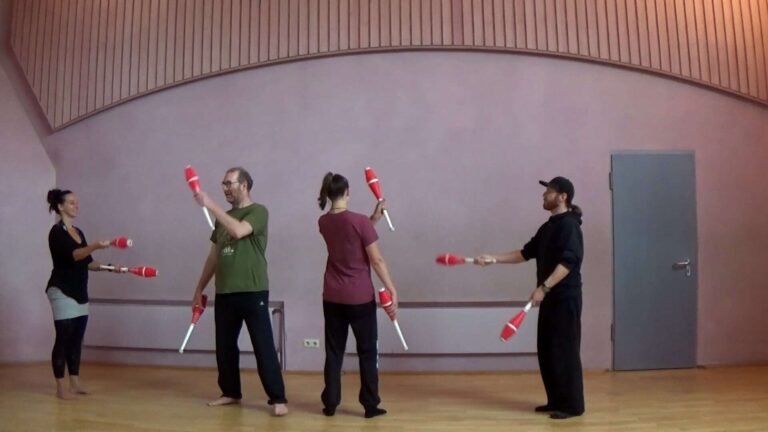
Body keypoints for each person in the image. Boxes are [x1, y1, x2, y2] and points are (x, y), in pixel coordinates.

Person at [475, 176, 585, 420]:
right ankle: (555, 400)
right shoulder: (548, 227)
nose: (543, 196)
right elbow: (525, 253)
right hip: (548, 299)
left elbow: (568, 262)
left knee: (565, 350)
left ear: (562, 196)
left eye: (548, 192)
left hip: (565, 298)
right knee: (547, 350)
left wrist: (543, 287)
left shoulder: (570, 226)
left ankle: (573, 406)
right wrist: (493, 258)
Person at [190, 167, 288, 416]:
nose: (225, 188)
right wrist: (199, 287)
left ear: (244, 185)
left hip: (253, 290)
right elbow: (213, 256)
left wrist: (210, 203)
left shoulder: (258, 211)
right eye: (222, 184)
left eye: (229, 183)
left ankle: (278, 398)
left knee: (263, 345)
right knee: (224, 346)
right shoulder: (221, 219)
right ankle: (230, 392)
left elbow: (238, 231)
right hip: (224, 292)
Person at [316, 172, 399, 418]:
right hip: (360, 297)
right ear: (348, 193)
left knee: (334, 351)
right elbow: (376, 259)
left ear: (329, 194)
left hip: (332, 296)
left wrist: (373, 219)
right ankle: (370, 405)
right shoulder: (359, 222)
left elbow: (349, 238)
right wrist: (392, 288)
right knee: (367, 351)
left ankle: (330, 403)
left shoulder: (323, 222)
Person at [45, 189, 126, 399]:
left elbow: (87, 262)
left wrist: (110, 268)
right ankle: (60, 388)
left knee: (76, 338)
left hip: (80, 290)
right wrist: (95, 246)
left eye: (76, 203)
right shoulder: (56, 233)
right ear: (60, 206)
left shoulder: (79, 232)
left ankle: (75, 383)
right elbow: (75, 255)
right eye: (71, 203)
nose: (76, 206)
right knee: (63, 338)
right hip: (61, 290)